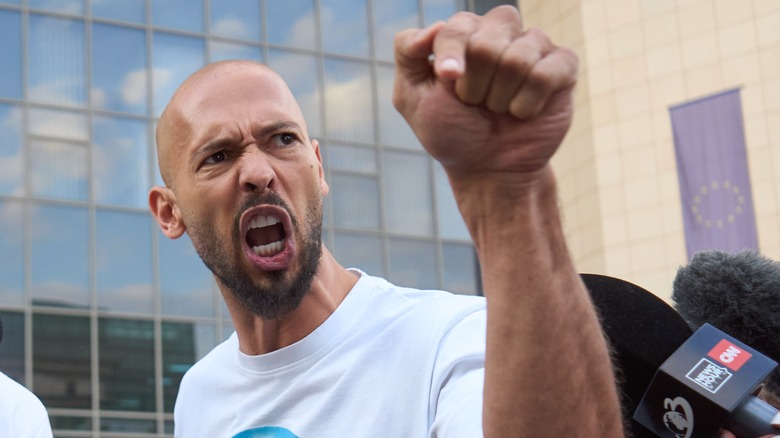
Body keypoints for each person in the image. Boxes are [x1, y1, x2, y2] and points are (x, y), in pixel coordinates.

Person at [149, 5, 623, 437]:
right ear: (170, 213)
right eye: (218, 156)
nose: (258, 173)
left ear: (319, 168)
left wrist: (509, 192)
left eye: (282, 140)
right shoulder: (200, 394)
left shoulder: (453, 342)